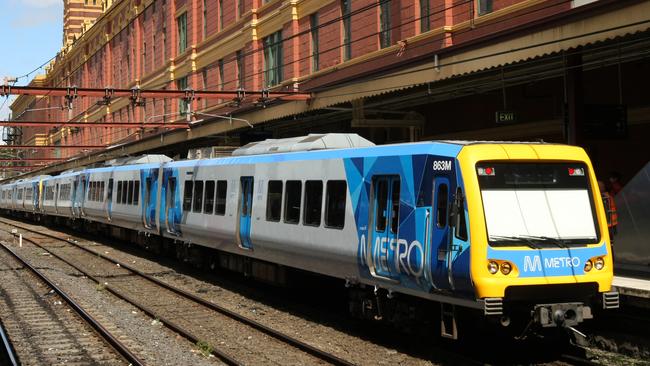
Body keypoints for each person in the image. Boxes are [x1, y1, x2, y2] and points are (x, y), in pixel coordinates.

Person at [598, 180, 618, 258]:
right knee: (610, 244)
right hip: (611, 224)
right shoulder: (608, 197)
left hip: (607, 225)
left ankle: (608, 258)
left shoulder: (602, 198)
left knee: (607, 245)